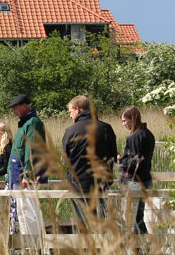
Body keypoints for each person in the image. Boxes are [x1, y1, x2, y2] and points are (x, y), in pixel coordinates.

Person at [62, 95, 118, 229]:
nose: (70, 115)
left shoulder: (70, 131)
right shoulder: (106, 128)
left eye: (70, 111)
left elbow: (66, 159)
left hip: (78, 186)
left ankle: (87, 249)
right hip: (101, 184)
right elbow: (113, 156)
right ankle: (100, 249)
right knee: (100, 224)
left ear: (78, 109)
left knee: (83, 224)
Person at [6, 94, 50, 234]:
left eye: (15, 108)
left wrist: (27, 174)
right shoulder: (25, 123)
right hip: (18, 174)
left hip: (24, 176)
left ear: (25, 106)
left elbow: (32, 151)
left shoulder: (32, 122)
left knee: (29, 212)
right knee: (22, 213)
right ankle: (28, 247)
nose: (14, 112)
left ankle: (34, 248)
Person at [119, 106, 156, 234]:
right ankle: (142, 249)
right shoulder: (148, 134)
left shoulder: (134, 137)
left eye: (125, 121)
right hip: (145, 179)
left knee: (132, 218)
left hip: (134, 181)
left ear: (133, 119)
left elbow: (134, 162)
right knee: (138, 216)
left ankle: (139, 249)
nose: (124, 124)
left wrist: (120, 160)